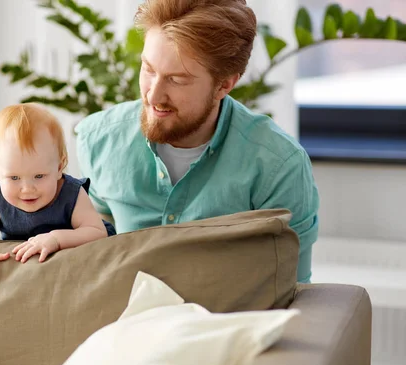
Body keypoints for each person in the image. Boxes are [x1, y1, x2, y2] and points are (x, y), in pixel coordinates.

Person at [75, 0, 319, 283]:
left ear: (224, 85)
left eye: (177, 80)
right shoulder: (99, 140)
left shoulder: (278, 167)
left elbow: (293, 292)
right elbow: (94, 256)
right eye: (149, 69)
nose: (153, 96)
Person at [0, 104, 115, 291]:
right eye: (14, 178)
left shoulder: (71, 193)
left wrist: (55, 239)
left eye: (39, 176)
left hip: (73, 259)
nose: (27, 189)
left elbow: (97, 232)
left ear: (59, 167)